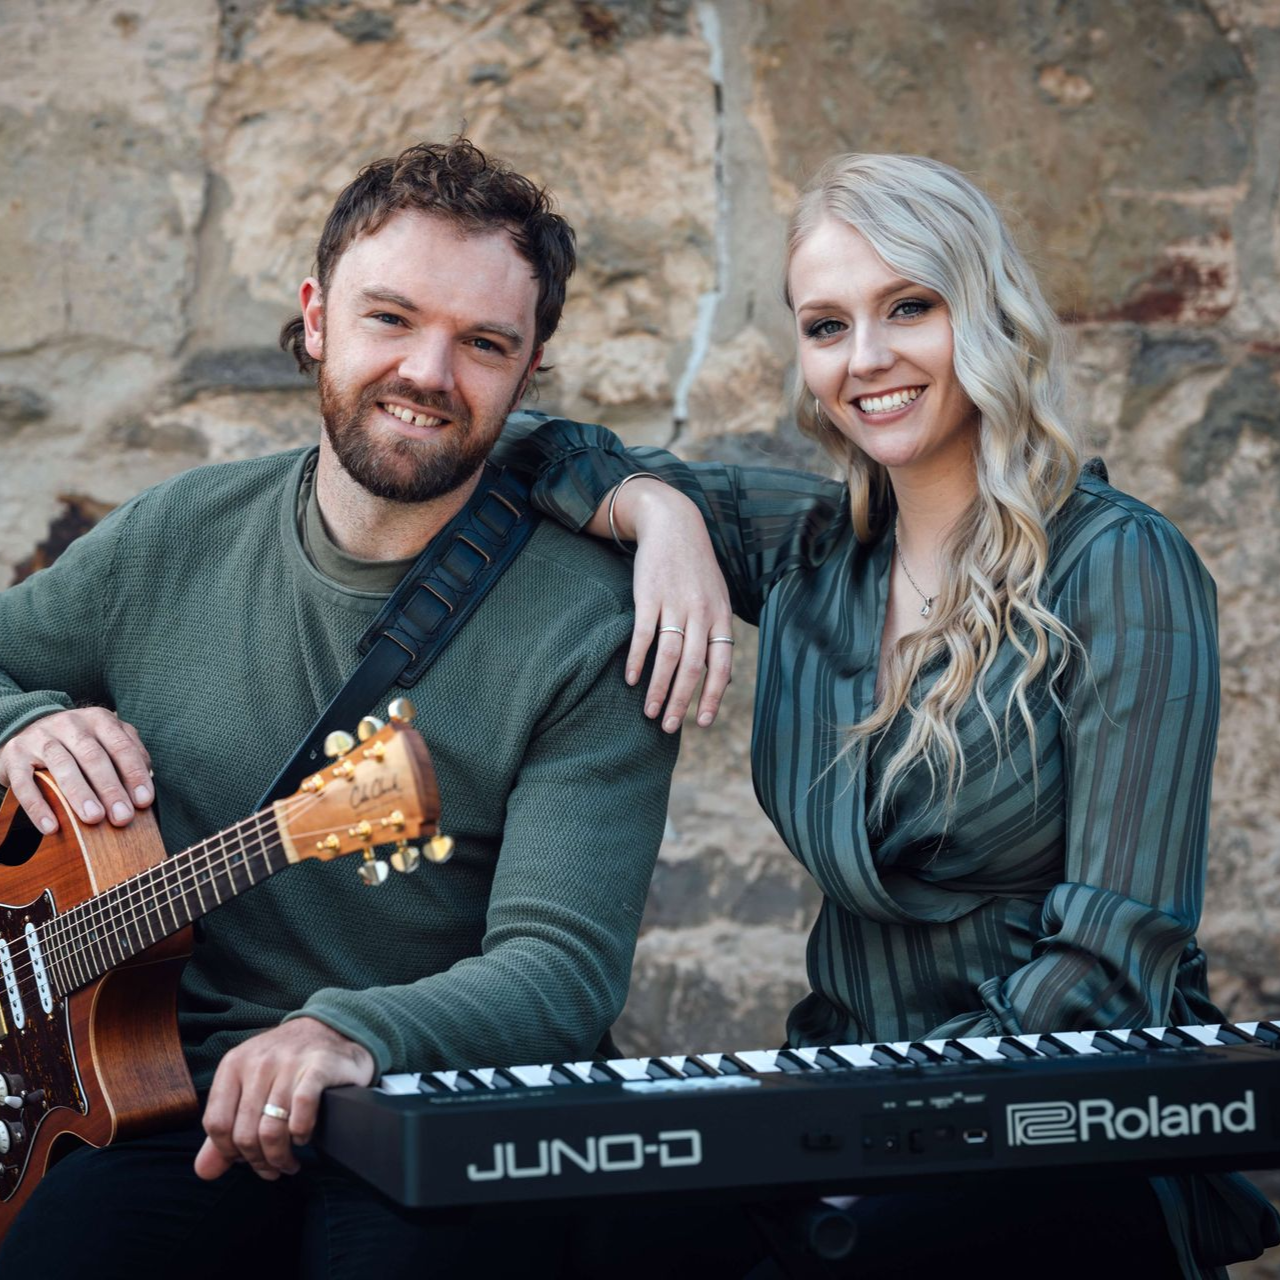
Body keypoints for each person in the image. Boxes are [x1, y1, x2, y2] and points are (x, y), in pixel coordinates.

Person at [494, 153, 1280, 1277]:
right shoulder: (813, 548)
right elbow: (534, 446)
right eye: (825, 325)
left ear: (984, 309)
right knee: (591, 1230)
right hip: (842, 1112)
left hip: (1057, 1129)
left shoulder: (1118, 564)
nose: (864, 360)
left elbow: (1112, 962)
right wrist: (656, 511)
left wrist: (859, 1118)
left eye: (907, 306)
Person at [0, 138, 678, 1277]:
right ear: (316, 316)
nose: (426, 370)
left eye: (482, 342)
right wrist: (22, 722)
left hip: (429, 1105)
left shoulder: (591, 625)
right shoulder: (179, 533)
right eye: (390, 317)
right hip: (155, 1091)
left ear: (530, 369)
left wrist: (349, 1031)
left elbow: (560, 968)